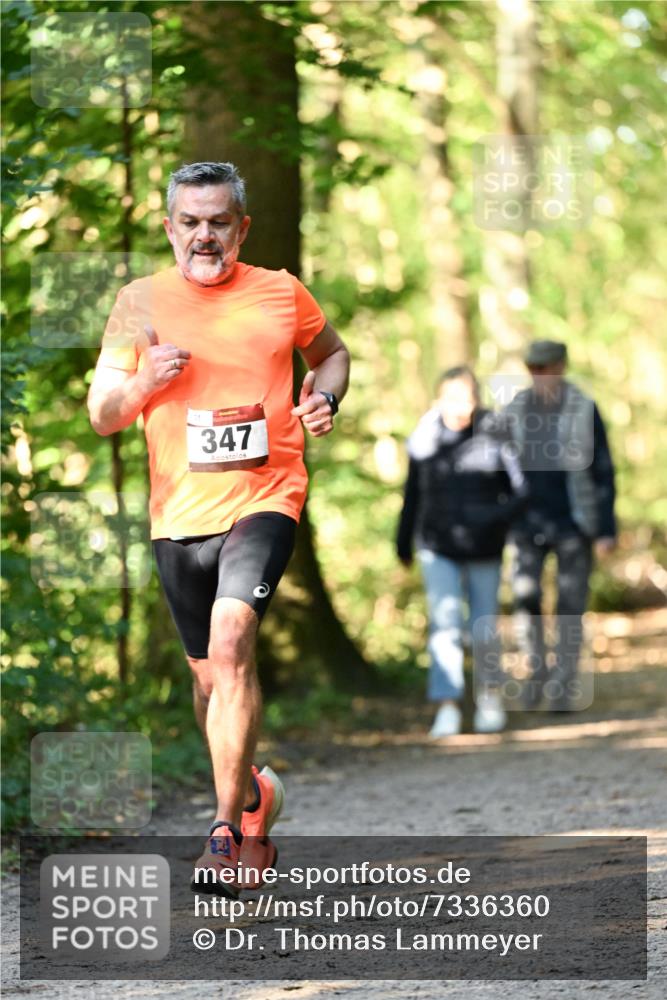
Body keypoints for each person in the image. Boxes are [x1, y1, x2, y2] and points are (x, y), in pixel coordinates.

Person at [88, 161, 350, 895]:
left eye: (219, 222)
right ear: (169, 227)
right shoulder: (138, 303)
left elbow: (331, 354)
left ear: (242, 227)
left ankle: (225, 832)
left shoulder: (281, 291)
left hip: (266, 497)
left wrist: (325, 399)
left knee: (233, 643)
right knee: (209, 679)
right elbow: (102, 414)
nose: (205, 236)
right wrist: (144, 382)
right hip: (178, 515)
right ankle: (254, 795)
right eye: (190, 222)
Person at [397, 366, 528, 738]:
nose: (461, 407)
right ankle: (448, 706)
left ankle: (489, 697)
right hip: (437, 546)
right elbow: (412, 494)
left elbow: (522, 491)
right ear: (438, 400)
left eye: (468, 398)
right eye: (453, 398)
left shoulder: (497, 434)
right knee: (445, 625)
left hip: (485, 546)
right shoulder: (424, 439)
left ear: (478, 399)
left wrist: (493, 518)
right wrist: (402, 542)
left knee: (484, 626)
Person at [504, 339, 616, 711]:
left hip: (574, 523)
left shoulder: (584, 408)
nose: (538, 374)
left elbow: (603, 469)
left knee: (570, 607)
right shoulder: (515, 409)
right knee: (525, 600)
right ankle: (537, 672)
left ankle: (563, 686)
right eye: (532, 368)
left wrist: (606, 529)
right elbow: (498, 467)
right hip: (526, 524)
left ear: (560, 366)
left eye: (544, 367)